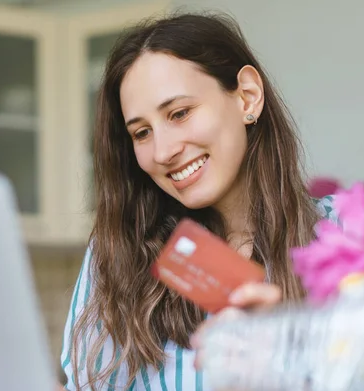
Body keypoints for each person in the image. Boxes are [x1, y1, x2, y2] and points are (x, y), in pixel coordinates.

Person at [59, 10, 341, 391]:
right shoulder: (114, 257)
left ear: (247, 97)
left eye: (179, 113)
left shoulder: (353, 235)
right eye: (141, 133)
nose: (162, 152)